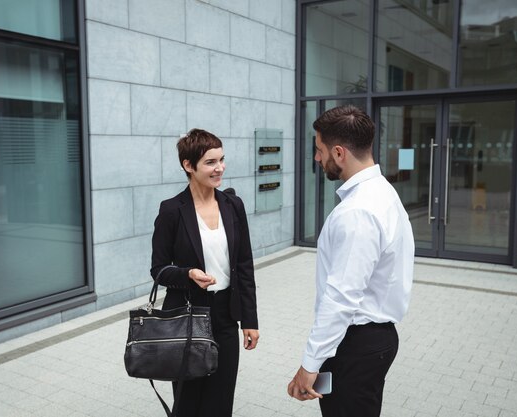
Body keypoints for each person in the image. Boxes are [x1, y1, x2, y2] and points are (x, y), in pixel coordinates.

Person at [287, 105, 414, 416]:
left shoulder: (359, 211)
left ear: (339, 153)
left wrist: (310, 364)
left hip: (355, 344)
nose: (317, 158)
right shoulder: (382, 192)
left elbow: (342, 297)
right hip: (369, 340)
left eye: (319, 150)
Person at [151, 128, 260, 417]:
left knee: (221, 401)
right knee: (188, 403)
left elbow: (244, 266)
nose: (220, 168)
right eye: (211, 162)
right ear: (189, 165)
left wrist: (250, 320)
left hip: (225, 315)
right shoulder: (172, 210)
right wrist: (187, 274)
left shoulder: (233, 205)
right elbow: (158, 270)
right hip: (187, 318)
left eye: (222, 160)